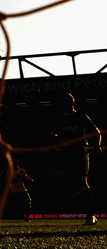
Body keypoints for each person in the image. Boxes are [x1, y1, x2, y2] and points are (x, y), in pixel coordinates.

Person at [51, 93, 102, 226]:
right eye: (62, 102)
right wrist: (60, 138)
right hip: (66, 154)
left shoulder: (81, 116)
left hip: (80, 152)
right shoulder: (59, 118)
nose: (65, 104)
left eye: (67, 101)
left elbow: (96, 131)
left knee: (82, 182)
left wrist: (97, 146)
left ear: (73, 103)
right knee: (76, 185)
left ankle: (90, 216)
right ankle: (87, 210)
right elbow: (52, 134)